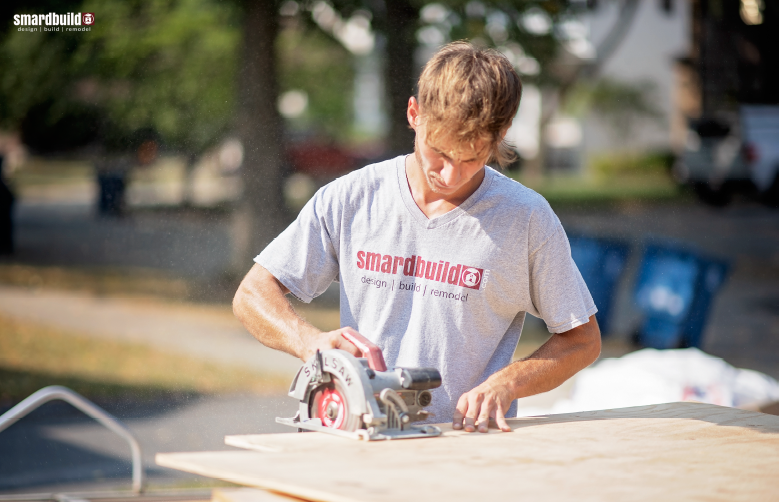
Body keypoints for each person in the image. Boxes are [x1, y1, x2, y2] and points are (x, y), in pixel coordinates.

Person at [233, 41, 601, 433]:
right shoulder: (351, 198)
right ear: (414, 113)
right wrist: (310, 342)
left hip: (464, 449)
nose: (451, 175)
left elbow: (582, 340)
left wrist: (508, 383)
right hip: (358, 439)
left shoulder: (526, 218)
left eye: (472, 158)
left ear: (501, 134)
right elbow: (252, 295)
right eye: (439, 153)